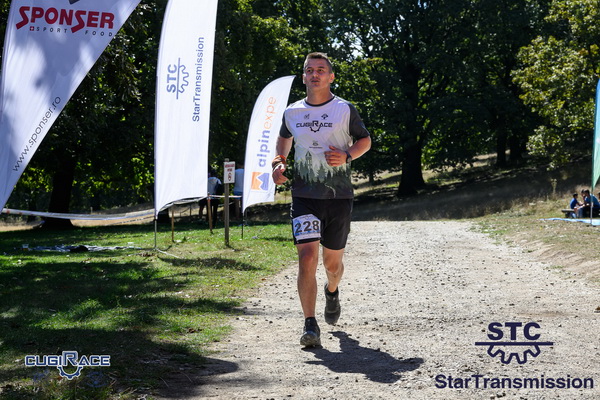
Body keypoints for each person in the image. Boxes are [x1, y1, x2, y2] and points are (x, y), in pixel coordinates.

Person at [272, 52, 371, 347]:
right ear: (304, 76)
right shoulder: (292, 112)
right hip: (304, 195)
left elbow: (365, 140)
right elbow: (284, 138)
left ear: (331, 76)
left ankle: (332, 290)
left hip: (338, 197)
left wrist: (347, 155)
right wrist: (278, 162)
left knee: (332, 264)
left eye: (320, 70)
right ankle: (310, 323)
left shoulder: (344, 109)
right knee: (306, 258)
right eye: (309, 70)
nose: (314, 74)